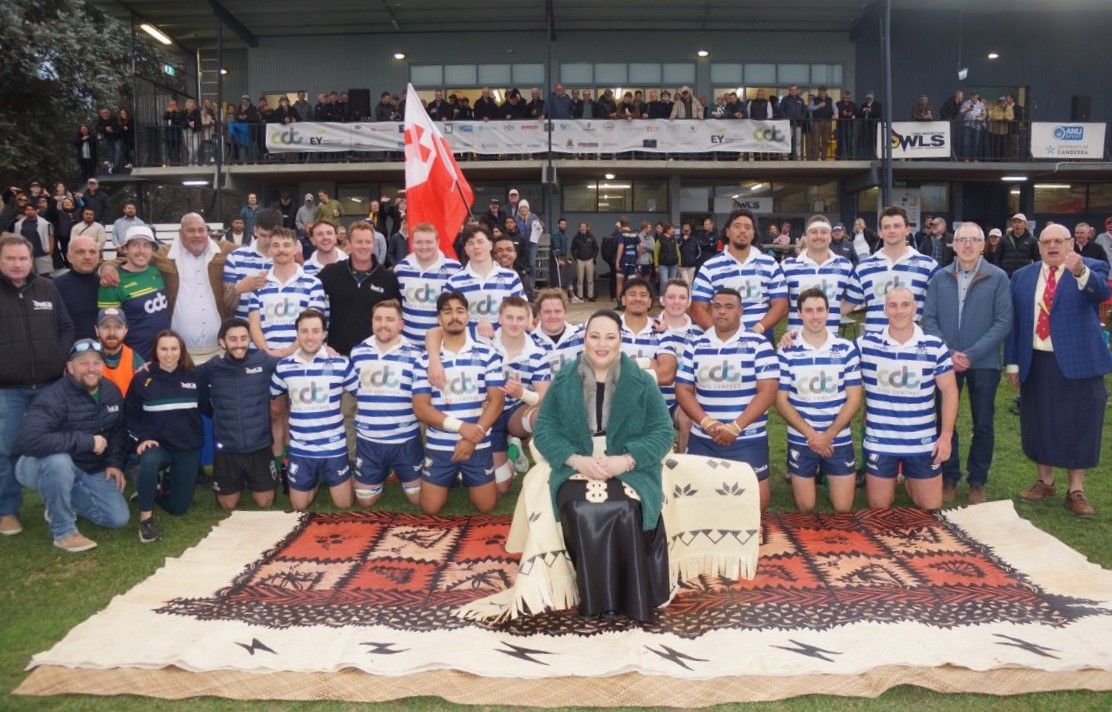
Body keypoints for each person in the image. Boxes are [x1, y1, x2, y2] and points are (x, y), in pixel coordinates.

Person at [533, 309, 673, 621]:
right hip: (575, 464)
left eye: (610, 337)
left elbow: (664, 432)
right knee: (581, 509)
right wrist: (575, 459)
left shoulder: (641, 381)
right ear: (584, 339)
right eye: (594, 336)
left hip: (629, 464)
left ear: (620, 341)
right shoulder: (565, 378)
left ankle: (633, 596)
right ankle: (595, 599)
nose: (602, 344)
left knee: (625, 508)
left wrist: (625, 460)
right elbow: (544, 430)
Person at [1005, 224, 1112, 518]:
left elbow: (1100, 294)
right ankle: (1045, 481)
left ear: (1071, 244)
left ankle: (1076, 489)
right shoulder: (1024, 277)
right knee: (1039, 420)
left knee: (1079, 423)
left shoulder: (1092, 266)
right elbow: (1015, 323)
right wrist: (1013, 362)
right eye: (1046, 242)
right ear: (1038, 247)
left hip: (1079, 363)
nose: (1052, 246)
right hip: (1036, 360)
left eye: (1059, 241)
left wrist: (1080, 272)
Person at [923, 222, 1012, 505]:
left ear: (983, 245)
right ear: (954, 244)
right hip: (945, 362)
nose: (968, 245)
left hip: (983, 362)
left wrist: (971, 354)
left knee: (982, 422)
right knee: (945, 420)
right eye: (962, 240)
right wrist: (949, 353)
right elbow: (929, 320)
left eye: (974, 240)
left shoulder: (997, 277)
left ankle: (977, 481)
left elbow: (1003, 322)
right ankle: (949, 476)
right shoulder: (939, 278)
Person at [14, 339, 129, 552]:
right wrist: (87, 441)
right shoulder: (53, 396)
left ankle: (59, 499)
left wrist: (114, 463)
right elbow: (30, 440)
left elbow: (118, 431)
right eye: (83, 363)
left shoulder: (111, 390)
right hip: (38, 466)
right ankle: (63, 531)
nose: (91, 369)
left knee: (118, 518)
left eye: (96, 363)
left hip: (89, 468)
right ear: (70, 367)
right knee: (59, 460)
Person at [676, 287, 779, 510]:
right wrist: (707, 423)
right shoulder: (695, 344)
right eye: (717, 306)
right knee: (697, 504)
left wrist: (736, 427)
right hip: (704, 437)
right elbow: (683, 389)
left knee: (756, 505)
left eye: (729, 307)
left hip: (747, 437)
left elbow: (768, 391)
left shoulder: (758, 344)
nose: (721, 311)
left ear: (741, 311)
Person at [0, 235, 75, 536]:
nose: (17, 264)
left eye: (22, 258)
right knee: (7, 449)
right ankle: (7, 510)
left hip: (49, 386)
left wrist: (58, 357)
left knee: (52, 448)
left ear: (31, 260)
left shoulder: (47, 288)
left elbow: (66, 326)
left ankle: (53, 502)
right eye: (10, 259)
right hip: (7, 388)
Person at [859, 286, 958, 511]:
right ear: (884, 310)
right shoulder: (866, 344)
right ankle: (902, 478)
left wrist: (946, 436)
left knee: (930, 508)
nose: (899, 311)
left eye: (905, 305)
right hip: (881, 441)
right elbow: (826, 346)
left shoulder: (934, 346)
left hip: (921, 442)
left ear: (915, 308)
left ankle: (911, 479)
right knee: (879, 508)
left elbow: (950, 390)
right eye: (892, 305)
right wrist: (791, 336)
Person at [412, 292, 505, 515]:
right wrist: (462, 428)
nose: (454, 316)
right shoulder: (424, 360)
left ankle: (504, 463)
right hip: (440, 445)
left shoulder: (488, 354)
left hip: (478, 442)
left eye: (460, 311)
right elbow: (421, 408)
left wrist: (473, 438)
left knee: (487, 506)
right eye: (447, 312)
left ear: (468, 316)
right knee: (430, 508)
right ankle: (454, 474)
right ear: (439, 319)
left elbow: (497, 401)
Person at [775, 288, 862, 513]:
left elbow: (854, 398)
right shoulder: (786, 351)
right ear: (799, 313)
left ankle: (825, 473)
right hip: (802, 438)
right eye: (809, 310)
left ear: (828, 312)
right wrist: (813, 436)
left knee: (843, 508)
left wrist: (829, 435)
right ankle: (819, 470)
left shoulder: (846, 348)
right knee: (806, 507)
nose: (815, 316)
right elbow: (781, 401)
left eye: (820, 310)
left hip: (838, 438)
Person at [270, 309, 353, 512]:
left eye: (315, 331)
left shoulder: (341, 364)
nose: (309, 337)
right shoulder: (284, 367)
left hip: (334, 447)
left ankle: (323, 477)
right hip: (301, 449)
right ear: (296, 334)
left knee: (344, 504)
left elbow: (364, 395)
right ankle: (312, 479)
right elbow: (275, 400)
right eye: (304, 331)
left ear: (324, 334)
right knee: (299, 506)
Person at [124, 330, 202, 542]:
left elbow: (209, 406)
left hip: (186, 446)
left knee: (178, 509)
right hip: (158, 445)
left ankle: (155, 489)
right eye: (164, 349)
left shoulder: (195, 376)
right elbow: (129, 414)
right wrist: (142, 438)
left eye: (174, 349)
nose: (169, 354)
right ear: (155, 351)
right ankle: (146, 520)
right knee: (149, 461)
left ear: (181, 350)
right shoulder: (142, 378)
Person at [346, 300, 424, 508]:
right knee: (365, 501)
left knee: (418, 500)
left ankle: (395, 469)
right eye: (378, 319)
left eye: (390, 319)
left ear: (401, 323)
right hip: (370, 440)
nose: (383, 324)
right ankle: (384, 471)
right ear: (372, 322)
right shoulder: (358, 352)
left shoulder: (416, 355)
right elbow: (355, 390)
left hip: (405, 439)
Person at [195, 318, 279, 510]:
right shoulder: (212, 367)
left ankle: (254, 481)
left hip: (259, 447)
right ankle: (237, 482)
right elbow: (179, 372)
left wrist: (325, 352)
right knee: (227, 505)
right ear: (222, 342)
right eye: (233, 339)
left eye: (243, 338)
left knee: (265, 502)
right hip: (227, 449)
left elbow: (295, 364)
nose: (239, 344)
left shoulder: (263, 360)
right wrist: (148, 368)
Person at [690, 208, 788, 336]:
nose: (743, 230)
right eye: (737, 226)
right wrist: (719, 334)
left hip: (761, 340)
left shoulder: (770, 264)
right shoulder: (709, 267)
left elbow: (781, 305)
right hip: (723, 344)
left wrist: (757, 330)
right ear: (727, 232)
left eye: (748, 227)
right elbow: (697, 308)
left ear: (753, 233)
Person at [488, 297, 552, 491]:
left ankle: (549, 471)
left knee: (542, 416)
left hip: (514, 413)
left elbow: (544, 396)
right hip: (486, 415)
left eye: (520, 318)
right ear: (500, 319)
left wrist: (521, 392)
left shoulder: (537, 353)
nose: (515, 323)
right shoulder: (484, 344)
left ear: (528, 321)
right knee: (501, 488)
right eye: (509, 317)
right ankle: (509, 457)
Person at [845, 206, 939, 333]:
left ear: (907, 230)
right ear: (880, 232)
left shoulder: (928, 266)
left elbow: (942, 307)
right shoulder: (864, 267)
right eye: (886, 227)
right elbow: (847, 305)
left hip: (910, 346)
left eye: (897, 226)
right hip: (874, 346)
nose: (891, 231)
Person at [445, 226, 525, 340]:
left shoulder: (511, 277)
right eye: (470, 243)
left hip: (504, 346)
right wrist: (475, 329)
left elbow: (523, 311)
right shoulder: (453, 282)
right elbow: (447, 320)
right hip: (468, 348)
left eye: (480, 242)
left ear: (491, 245)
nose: (476, 247)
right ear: (466, 249)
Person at [781, 215, 854, 334]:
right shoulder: (787, 266)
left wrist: (834, 313)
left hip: (831, 337)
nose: (819, 236)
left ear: (830, 237)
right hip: (796, 339)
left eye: (824, 232)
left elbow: (854, 298)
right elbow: (778, 302)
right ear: (805, 237)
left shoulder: (845, 265)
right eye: (814, 232)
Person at [394, 223, 462, 346]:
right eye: (419, 242)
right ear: (412, 243)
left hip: (442, 345)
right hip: (407, 344)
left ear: (438, 242)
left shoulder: (455, 269)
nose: (424, 246)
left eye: (429, 242)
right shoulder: (401, 268)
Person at [54, 235, 101, 340]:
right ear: (69, 257)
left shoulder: (106, 282)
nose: (87, 257)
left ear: (98, 256)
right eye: (80, 252)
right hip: (71, 352)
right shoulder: (55, 287)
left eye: (92, 252)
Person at [533, 289, 585, 376]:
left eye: (557, 311)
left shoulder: (582, 335)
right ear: (539, 314)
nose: (553, 316)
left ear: (565, 312)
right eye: (547, 312)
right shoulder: (528, 340)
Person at [570, 221, 598, 302]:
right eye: (581, 226)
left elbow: (596, 248)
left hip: (589, 260)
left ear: (586, 227)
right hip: (580, 260)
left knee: (590, 279)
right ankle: (580, 296)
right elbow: (572, 249)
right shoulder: (576, 237)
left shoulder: (591, 237)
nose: (582, 228)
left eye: (584, 226)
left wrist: (594, 258)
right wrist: (576, 258)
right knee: (580, 279)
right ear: (579, 228)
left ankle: (590, 296)